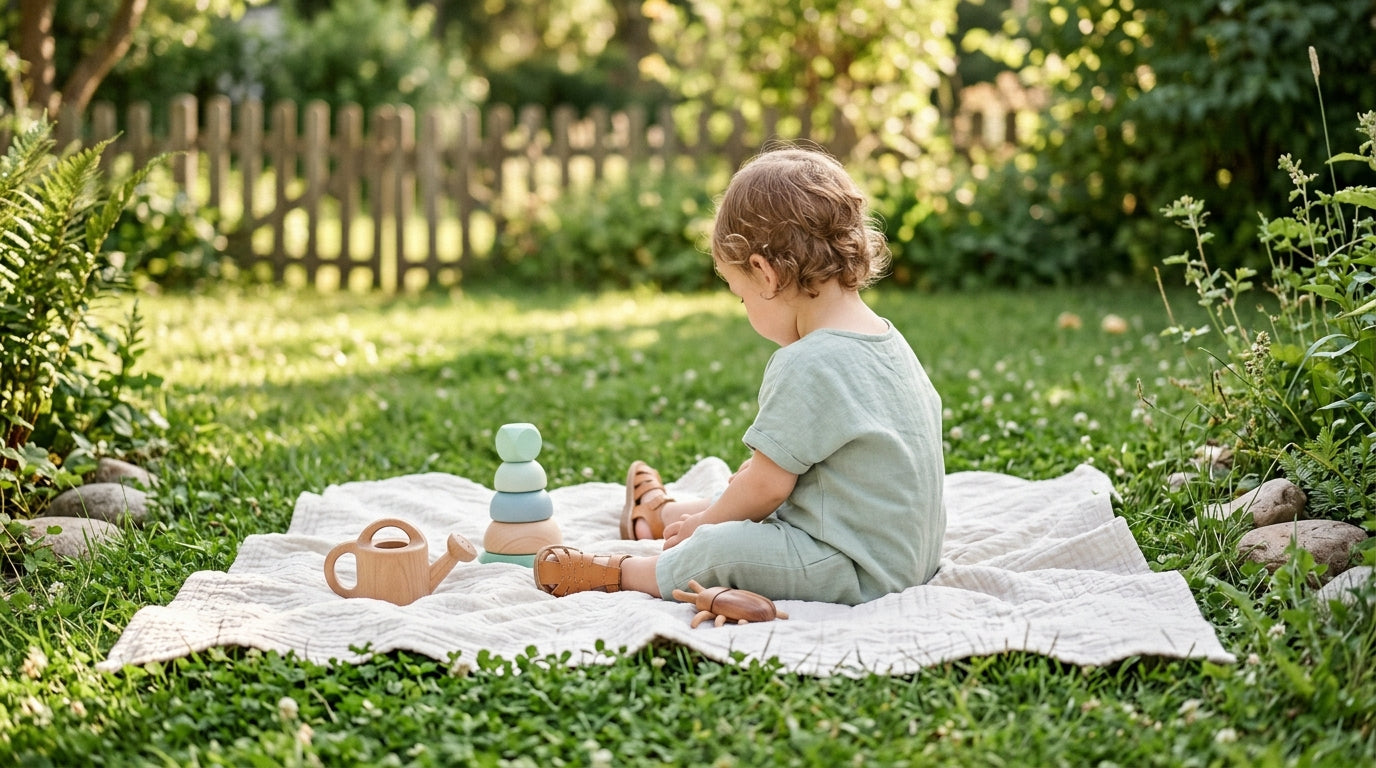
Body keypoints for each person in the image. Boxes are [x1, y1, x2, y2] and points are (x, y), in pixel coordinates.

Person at [533, 145, 946, 606]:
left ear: (764, 274)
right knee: (740, 488)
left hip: (854, 568)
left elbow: (768, 490)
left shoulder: (807, 362)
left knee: (722, 542)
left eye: (740, 296)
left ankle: (627, 571)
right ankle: (659, 514)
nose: (745, 307)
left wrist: (706, 526)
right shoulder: (888, 340)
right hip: (908, 556)